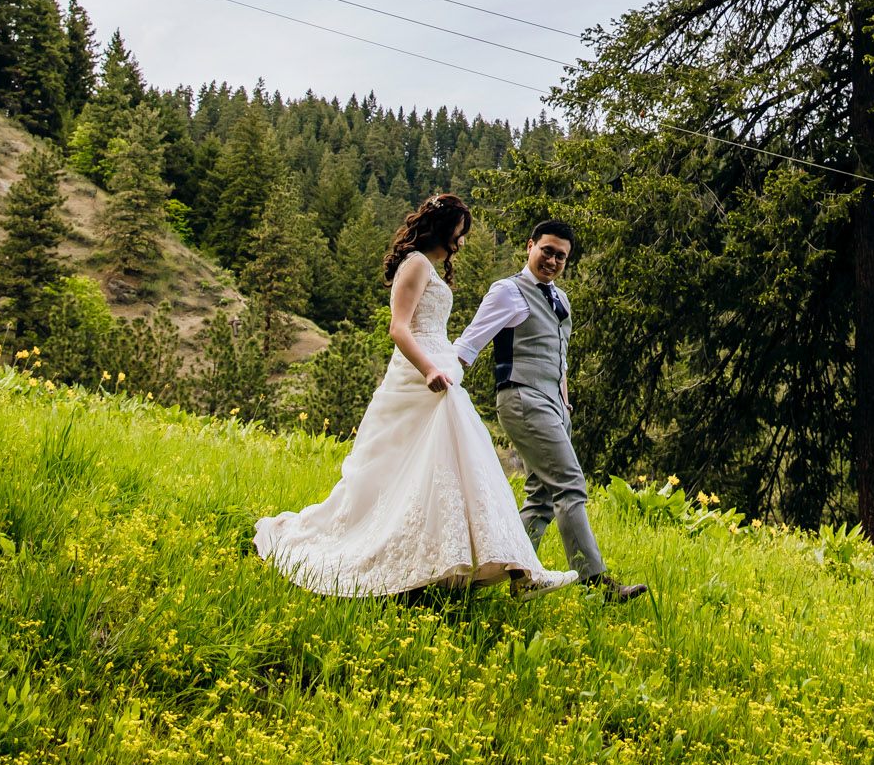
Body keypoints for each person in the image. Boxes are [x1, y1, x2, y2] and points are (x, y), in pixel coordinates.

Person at [254, 193, 579, 597]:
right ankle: (502, 569)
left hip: (443, 372)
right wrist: (429, 370)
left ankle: (508, 568)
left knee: (462, 471)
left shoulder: (431, 268)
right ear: (442, 229)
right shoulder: (416, 264)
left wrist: (446, 368)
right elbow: (399, 328)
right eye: (458, 234)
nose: (460, 243)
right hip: (422, 377)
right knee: (410, 471)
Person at [452, 216, 645, 600]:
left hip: (556, 406)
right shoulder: (507, 291)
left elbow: (562, 360)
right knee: (570, 485)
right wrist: (437, 381)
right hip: (522, 398)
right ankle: (597, 583)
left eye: (561, 256)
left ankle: (514, 579)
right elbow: (468, 345)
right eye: (547, 252)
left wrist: (566, 404)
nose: (553, 261)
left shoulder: (560, 298)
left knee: (540, 498)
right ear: (529, 247)